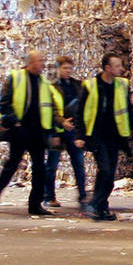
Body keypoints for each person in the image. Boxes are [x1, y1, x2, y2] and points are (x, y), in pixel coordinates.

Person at [0, 49, 63, 216]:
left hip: (38, 132)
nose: (43, 64)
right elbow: (3, 103)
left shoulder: (44, 83)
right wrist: (14, 121)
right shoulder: (16, 78)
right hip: (19, 130)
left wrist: (53, 132)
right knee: (12, 164)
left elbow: (49, 109)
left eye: (43, 61)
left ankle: (35, 204)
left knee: (39, 168)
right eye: (39, 61)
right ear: (29, 63)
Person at [75, 53, 133, 221]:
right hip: (97, 136)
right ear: (107, 68)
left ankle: (101, 208)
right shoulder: (90, 86)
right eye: (118, 66)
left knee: (109, 175)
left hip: (115, 136)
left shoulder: (121, 85)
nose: (122, 69)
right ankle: (94, 204)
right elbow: (80, 113)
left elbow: (128, 109)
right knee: (105, 171)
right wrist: (80, 135)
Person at [43, 55, 87, 209]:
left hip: (73, 130)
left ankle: (83, 196)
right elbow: (50, 110)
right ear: (57, 69)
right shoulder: (51, 87)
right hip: (57, 130)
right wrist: (62, 122)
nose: (68, 71)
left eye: (70, 68)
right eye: (65, 68)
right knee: (52, 165)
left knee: (79, 164)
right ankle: (49, 197)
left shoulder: (79, 85)